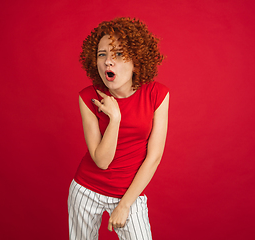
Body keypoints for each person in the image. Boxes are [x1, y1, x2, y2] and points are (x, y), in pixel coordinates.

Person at [68, 17, 169, 240]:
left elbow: (154, 156)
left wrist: (125, 205)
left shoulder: (157, 95)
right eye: (102, 54)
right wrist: (114, 119)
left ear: (137, 60)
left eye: (119, 54)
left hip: (128, 194)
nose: (108, 62)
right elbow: (101, 161)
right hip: (86, 190)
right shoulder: (87, 97)